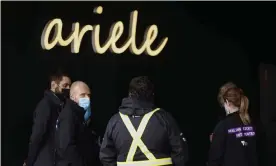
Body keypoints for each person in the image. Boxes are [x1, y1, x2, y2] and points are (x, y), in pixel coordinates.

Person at [100, 76, 188, 166]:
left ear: (129, 94)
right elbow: (180, 152)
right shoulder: (164, 118)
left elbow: (106, 156)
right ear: (152, 94)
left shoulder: (115, 121)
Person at [26, 70, 71, 166]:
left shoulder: (62, 105)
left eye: (69, 86)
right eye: (65, 85)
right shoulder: (45, 105)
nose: (68, 88)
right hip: (45, 161)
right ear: (53, 85)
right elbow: (37, 135)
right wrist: (30, 161)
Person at [208, 83, 258, 166]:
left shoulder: (222, 126)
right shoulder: (251, 123)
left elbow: (214, 159)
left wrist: (215, 141)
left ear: (227, 102)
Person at [55, 81, 100, 166]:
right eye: (83, 95)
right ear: (72, 97)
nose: (87, 98)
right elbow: (67, 147)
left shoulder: (79, 115)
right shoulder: (68, 116)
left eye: (89, 95)